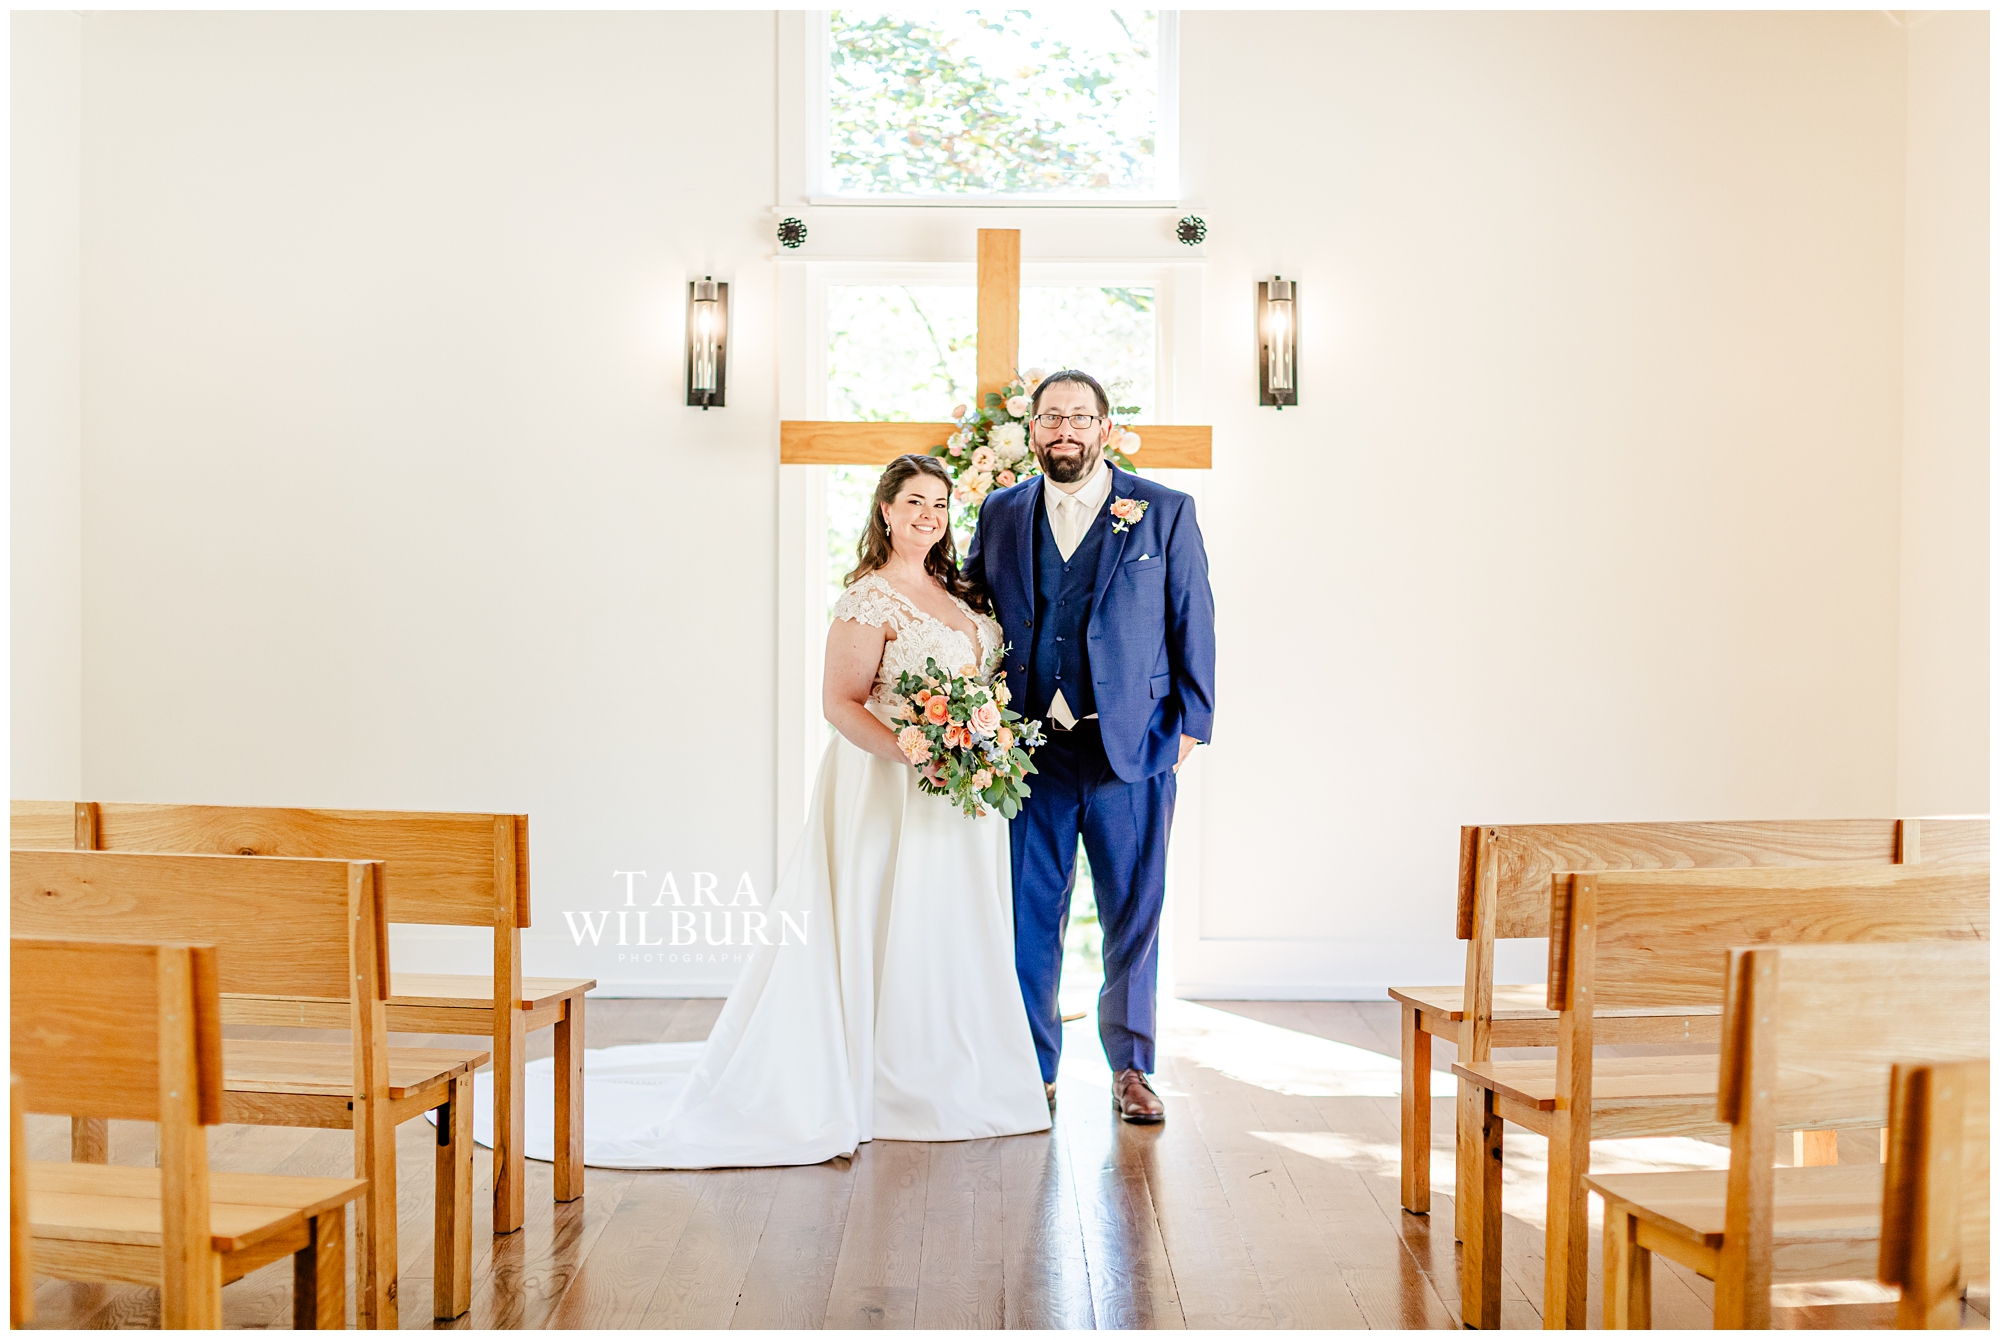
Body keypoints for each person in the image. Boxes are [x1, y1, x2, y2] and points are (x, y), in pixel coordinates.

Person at [470, 454, 1050, 1168]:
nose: (929, 515)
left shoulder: (959, 594)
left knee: (944, 923)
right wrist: (910, 752)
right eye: (915, 502)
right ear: (886, 510)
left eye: (940, 503)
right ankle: (875, 1080)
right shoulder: (868, 598)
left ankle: (951, 1075)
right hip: (886, 784)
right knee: (878, 916)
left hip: (961, 794)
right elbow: (839, 702)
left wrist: (979, 739)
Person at [966, 369, 1217, 1124]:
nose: (1064, 432)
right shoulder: (1002, 511)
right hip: (1029, 754)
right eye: (1050, 419)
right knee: (1029, 916)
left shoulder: (1163, 511)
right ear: (1032, 430)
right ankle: (1032, 1067)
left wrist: (1191, 729)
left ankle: (1132, 1069)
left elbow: (1193, 618)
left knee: (1132, 916)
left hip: (1131, 752)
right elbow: (972, 611)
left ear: (1106, 428)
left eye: (1079, 418)